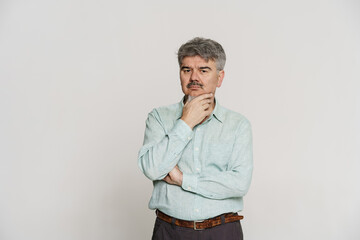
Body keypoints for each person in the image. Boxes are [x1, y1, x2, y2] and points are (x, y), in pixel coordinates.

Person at [138, 37, 253, 240]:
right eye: (186, 70)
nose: (194, 77)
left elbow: (239, 182)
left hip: (223, 231)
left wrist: (183, 180)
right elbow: (152, 168)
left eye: (203, 70)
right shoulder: (158, 117)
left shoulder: (238, 125)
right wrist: (185, 123)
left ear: (220, 77)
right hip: (170, 231)